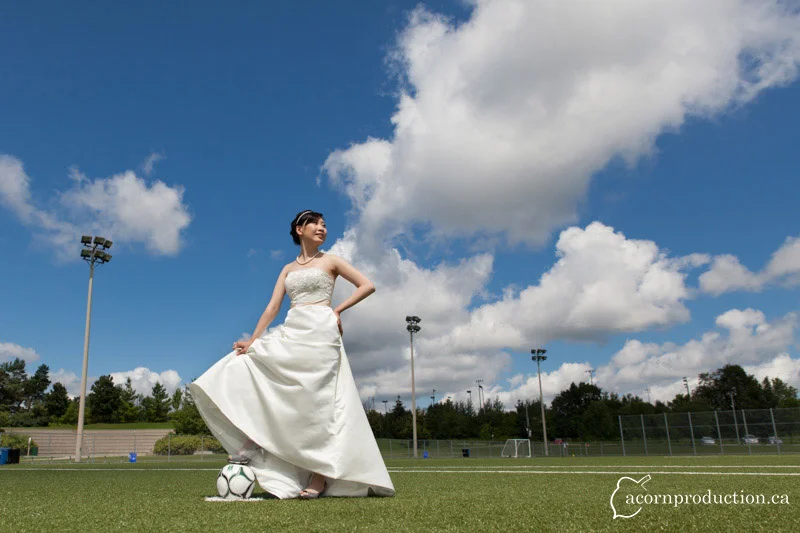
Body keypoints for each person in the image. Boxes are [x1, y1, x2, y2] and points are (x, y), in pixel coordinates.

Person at [189, 210, 395, 499]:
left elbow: (367, 285)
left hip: (322, 333)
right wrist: (253, 339)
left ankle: (320, 476)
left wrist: (336, 310)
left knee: (320, 402)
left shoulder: (332, 261)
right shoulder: (287, 269)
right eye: (316, 223)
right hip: (293, 329)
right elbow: (273, 308)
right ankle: (254, 439)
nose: (322, 228)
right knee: (246, 364)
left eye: (325, 224)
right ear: (300, 229)